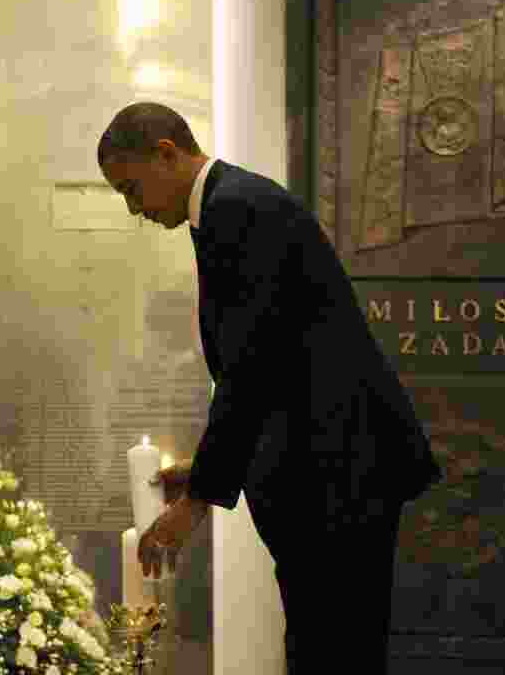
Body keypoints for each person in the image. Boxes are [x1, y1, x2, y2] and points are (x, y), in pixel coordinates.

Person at [97, 102, 443, 675]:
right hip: (333, 468)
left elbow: (253, 368)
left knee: (333, 652)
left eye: (132, 189)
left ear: (166, 153)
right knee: (328, 648)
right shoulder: (230, 206)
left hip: (338, 470)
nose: (135, 208)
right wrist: (204, 468)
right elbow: (264, 363)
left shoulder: (238, 210)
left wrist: (199, 500)